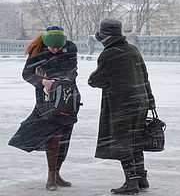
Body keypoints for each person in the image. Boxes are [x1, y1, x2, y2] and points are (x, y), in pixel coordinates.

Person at [88, 18, 156, 194]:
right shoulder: (133, 50)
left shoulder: (109, 54)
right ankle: (142, 178)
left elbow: (95, 80)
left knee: (122, 142)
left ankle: (131, 182)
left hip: (122, 105)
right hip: (139, 102)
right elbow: (144, 76)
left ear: (105, 38)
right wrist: (150, 100)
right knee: (135, 140)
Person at [8, 26, 78, 191]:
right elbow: (27, 74)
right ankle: (51, 176)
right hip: (45, 99)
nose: (55, 50)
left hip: (68, 97)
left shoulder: (70, 48)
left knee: (64, 136)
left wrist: (61, 83)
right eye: (52, 48)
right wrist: (43, 82)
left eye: (58, 48)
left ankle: (57, 172)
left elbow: (73, 71)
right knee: (53, 135)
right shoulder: (37, 50)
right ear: (46, 44)